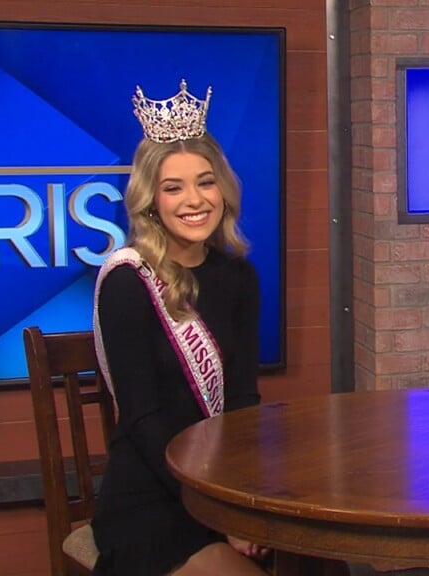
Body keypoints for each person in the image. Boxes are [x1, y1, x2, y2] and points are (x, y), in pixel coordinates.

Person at [90, 80, 269, 576]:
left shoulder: (239, 277)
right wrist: (217, 514)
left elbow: (241, 403)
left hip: (224, 486)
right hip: (151, 497)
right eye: (174, 187)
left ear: (224, 189)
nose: (194, 199)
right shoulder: (128, 280)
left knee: (323, 558)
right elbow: (143, 420)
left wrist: (244, 505)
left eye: (205, 182)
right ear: (151, 200)